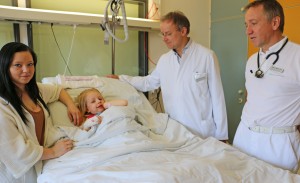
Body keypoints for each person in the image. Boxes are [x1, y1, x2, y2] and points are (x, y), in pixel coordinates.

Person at [107, 11, 228, 141]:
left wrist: (221, 135)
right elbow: (148, 82)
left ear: (183, 31)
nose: (164, 38)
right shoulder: (165, 60)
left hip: (202, 131)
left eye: (168, 34)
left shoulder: (206, 56)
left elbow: (218, 97)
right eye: (163, 34)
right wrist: (121, 78)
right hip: (176, 130)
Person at [0, 42, 83, 183]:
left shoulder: (33, 90)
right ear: (5, 67)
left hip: (42, 164)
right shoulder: (2, 105)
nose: (26, 70)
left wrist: (72, 106)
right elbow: (15, 152)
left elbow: (57, 90)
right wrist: (53, 152)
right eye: (18, 65)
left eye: (30, 64)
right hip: (17, 175)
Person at [233, 0, 300, 173]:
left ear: (275, 22)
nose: (248, 31)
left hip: (278, 144)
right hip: (244, 137)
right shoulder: (251, 61)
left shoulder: (297, 56)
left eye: (254, 24)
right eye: (246, 25)